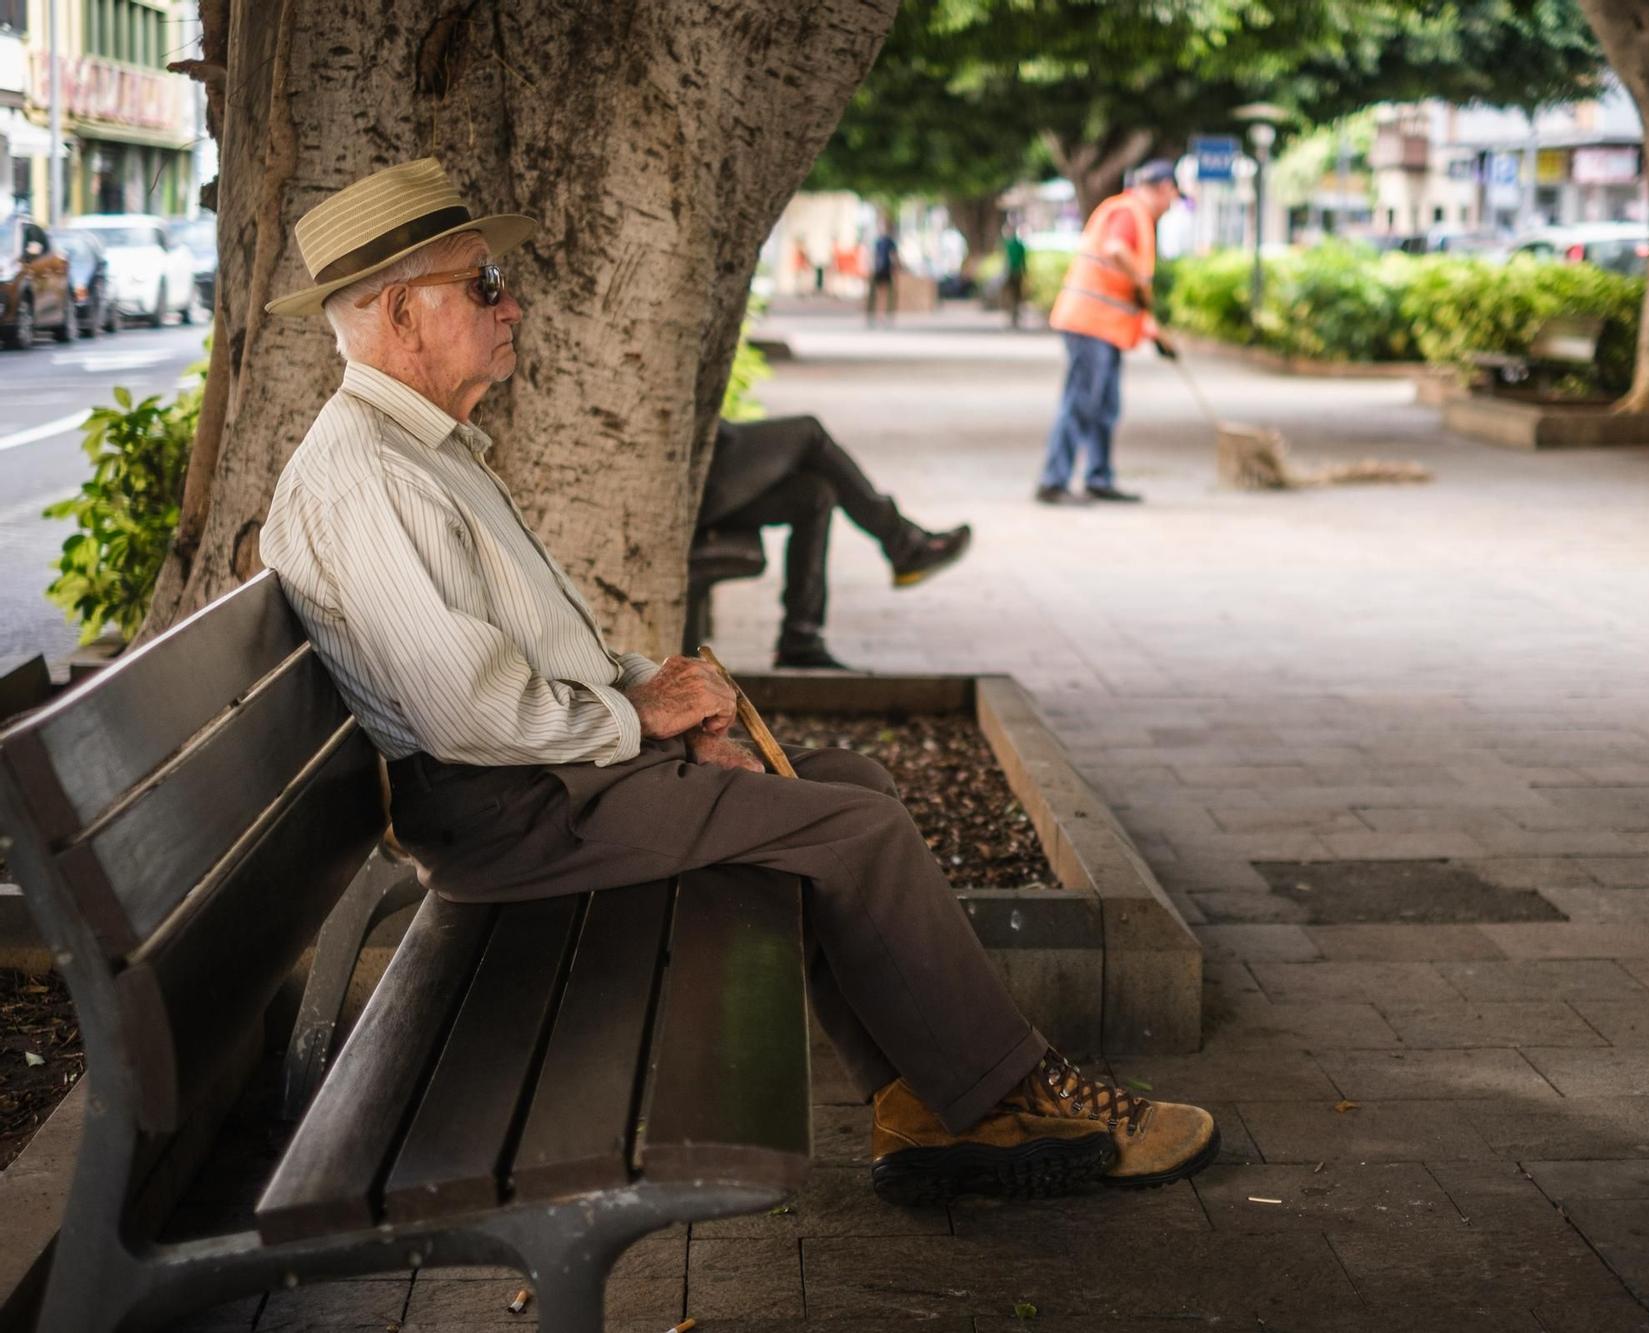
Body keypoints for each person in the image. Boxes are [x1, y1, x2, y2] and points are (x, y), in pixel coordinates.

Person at [257, 158, 1218, 1206]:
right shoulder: (370, 478)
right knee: (854, 834)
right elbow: (474, 711)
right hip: (516, 814)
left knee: (851, 782)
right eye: (483, 283)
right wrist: (640, 719)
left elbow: (532, 655)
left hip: (541, 782)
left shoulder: (419, 449)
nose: (512, 302)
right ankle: (1013, 1091)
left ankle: (921, 1102)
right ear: (402, 314)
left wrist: (656, 696)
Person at [701, 414, 972, 670]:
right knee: (809, 433)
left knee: (816, 495)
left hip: (708, 463)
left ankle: (801, 640)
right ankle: (905, 544)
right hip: (699, 482)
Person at [1035, 159, 1183, 506]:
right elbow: (1116, 252)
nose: (1171, 204)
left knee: (1105, 406)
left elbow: (1130, 299)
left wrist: (1158, 337)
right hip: (1090, 325)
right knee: (1081, 403)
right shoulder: (1129, 212)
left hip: (1107, 328)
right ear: (1164, 188)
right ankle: (1053, 482)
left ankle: (1099, 478)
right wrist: (1142, 280)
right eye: (1173, 195)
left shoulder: (1133, 214)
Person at [865, 225, 898, 325]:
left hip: (881, 269)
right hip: (884, 269)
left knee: (881, 293)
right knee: (883, 293)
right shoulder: (886, 242)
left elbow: (875, 256)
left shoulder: (881, 242)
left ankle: (880, 314)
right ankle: (880, 314)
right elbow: (893, 256)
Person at [1002, 223, 1029, 330]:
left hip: (1012, 273)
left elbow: (1007, 261)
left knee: (1013, 295)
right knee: (1016, 295)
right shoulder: (1017, 245)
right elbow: (1023, 261)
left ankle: (1014, 315)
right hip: (1016, 273)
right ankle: (1014, 315)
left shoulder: (1010, 245)